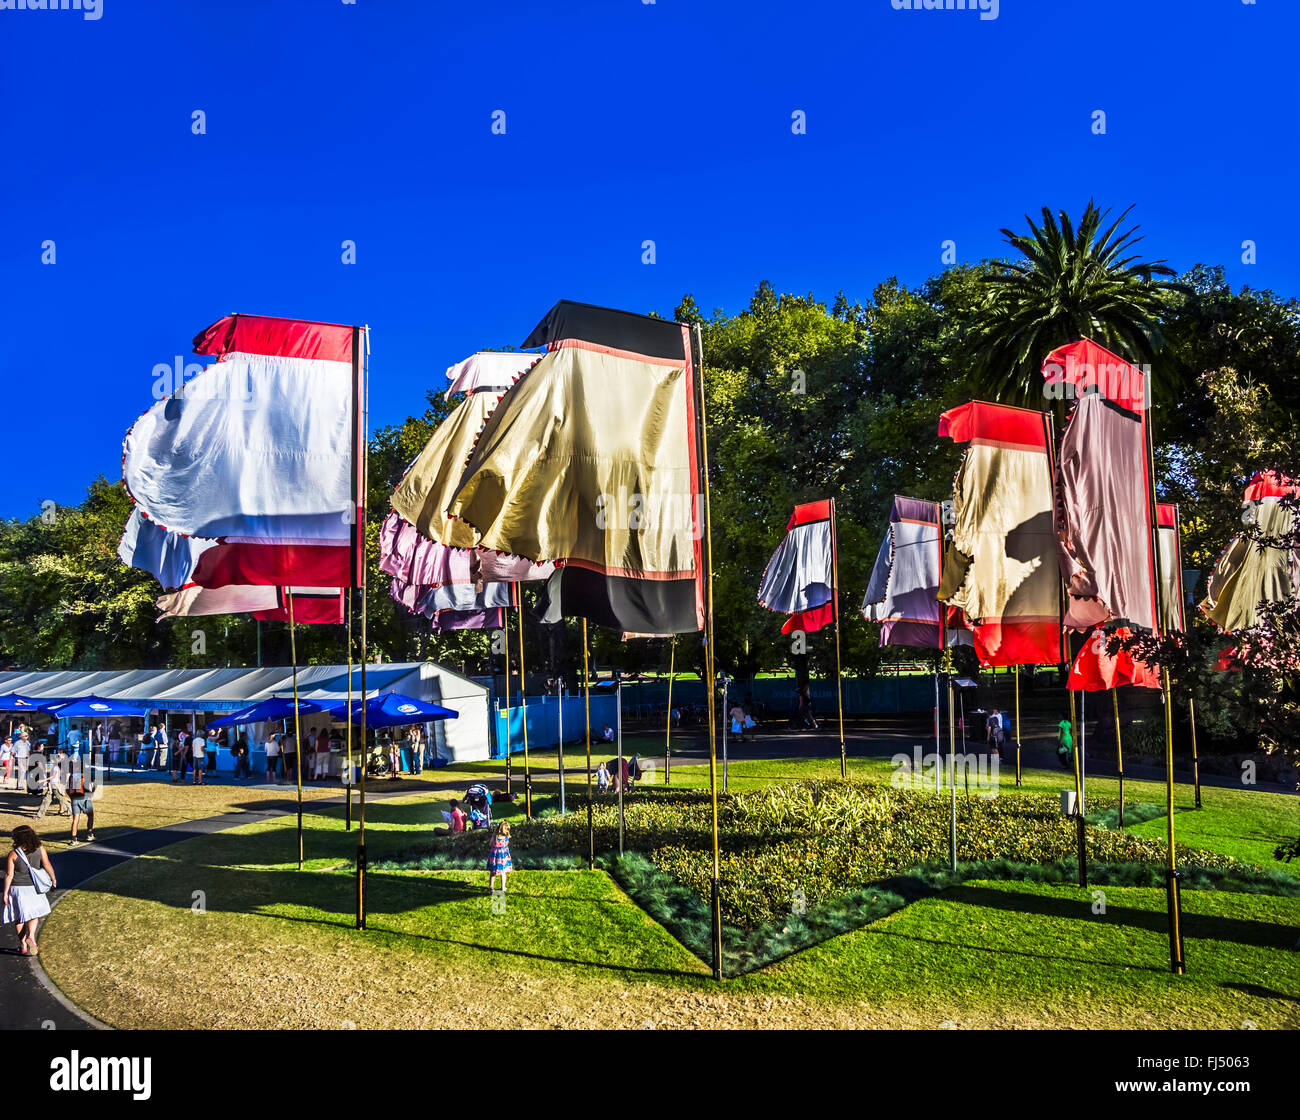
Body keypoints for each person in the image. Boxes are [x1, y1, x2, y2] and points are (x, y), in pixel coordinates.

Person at [3, 826, 55, 956]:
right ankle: (31, 936)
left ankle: (23, 945)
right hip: (34, 888)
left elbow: (9, 875)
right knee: (33, 914)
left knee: (19, 917)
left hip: (18, 888)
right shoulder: (40, 849)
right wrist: (53, 878)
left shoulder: (14, 854)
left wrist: (5, 893)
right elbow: (47, 864)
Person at [36, 747, 72, 820]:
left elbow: (53, 776)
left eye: (52, 760)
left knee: (62, 799)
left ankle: (72, 812)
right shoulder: (54, 766)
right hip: (52, 785)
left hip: (56, 785)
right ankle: (40, 815)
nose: (50, 760)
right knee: (46, 800)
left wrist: (43, 780)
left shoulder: (57, 767)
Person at [67, 760, 95, 846]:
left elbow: (67, 789)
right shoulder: (85, 775)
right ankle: (89, 834)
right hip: (84, 797)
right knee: (90, 815)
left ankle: (73, 839)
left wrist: (71, 797)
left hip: (74, 798)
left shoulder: (71, 776)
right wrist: (92, 792)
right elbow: (92, 785)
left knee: (75, 819)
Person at [487, 821, 513, 894]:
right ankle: (503, 887)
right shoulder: (506, 838)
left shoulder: (494, 837)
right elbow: (507, 845)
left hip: (495, 857)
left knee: (493, 872)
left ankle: (491, 886)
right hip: (503, 857)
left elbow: (490, 844)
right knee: (503, 872)